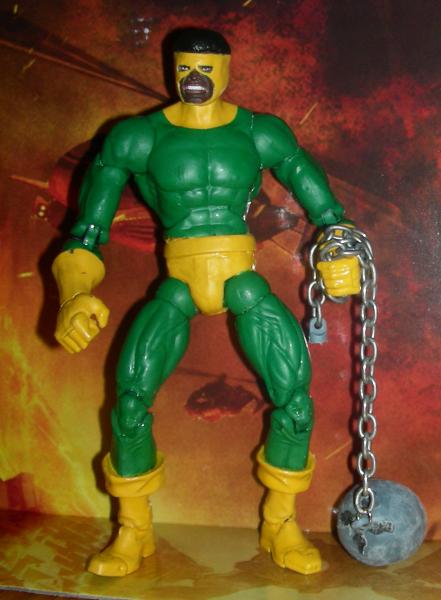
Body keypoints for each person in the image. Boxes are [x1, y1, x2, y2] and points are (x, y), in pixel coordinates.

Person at [52, 28, 358, 576]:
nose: (195, 78)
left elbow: (327, 210)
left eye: (206, 69)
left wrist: (340, 245)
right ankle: (133, 529)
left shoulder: (260, 132)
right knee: (129, 402)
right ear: (172, 68)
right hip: (179, 281)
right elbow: (86, 232)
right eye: (185, 68)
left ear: (227, 70)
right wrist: (75, 293)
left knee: (296, 401)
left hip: (242, 278)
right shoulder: (137, 138)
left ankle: (281, 523)